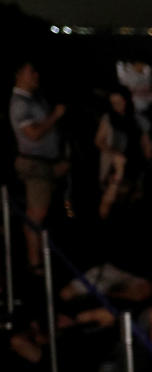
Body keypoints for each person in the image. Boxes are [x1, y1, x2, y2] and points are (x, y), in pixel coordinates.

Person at [9, 61, 68, 271]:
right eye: (30, 71)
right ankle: (35, 262)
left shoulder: (34, 98)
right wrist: (55, 116)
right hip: (36, 166)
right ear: (19, 75)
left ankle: (41, 258)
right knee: (36, 213)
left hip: (47, 163)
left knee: (43, 212)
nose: (36, 75)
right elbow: (33, 134)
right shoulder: (20, 104)